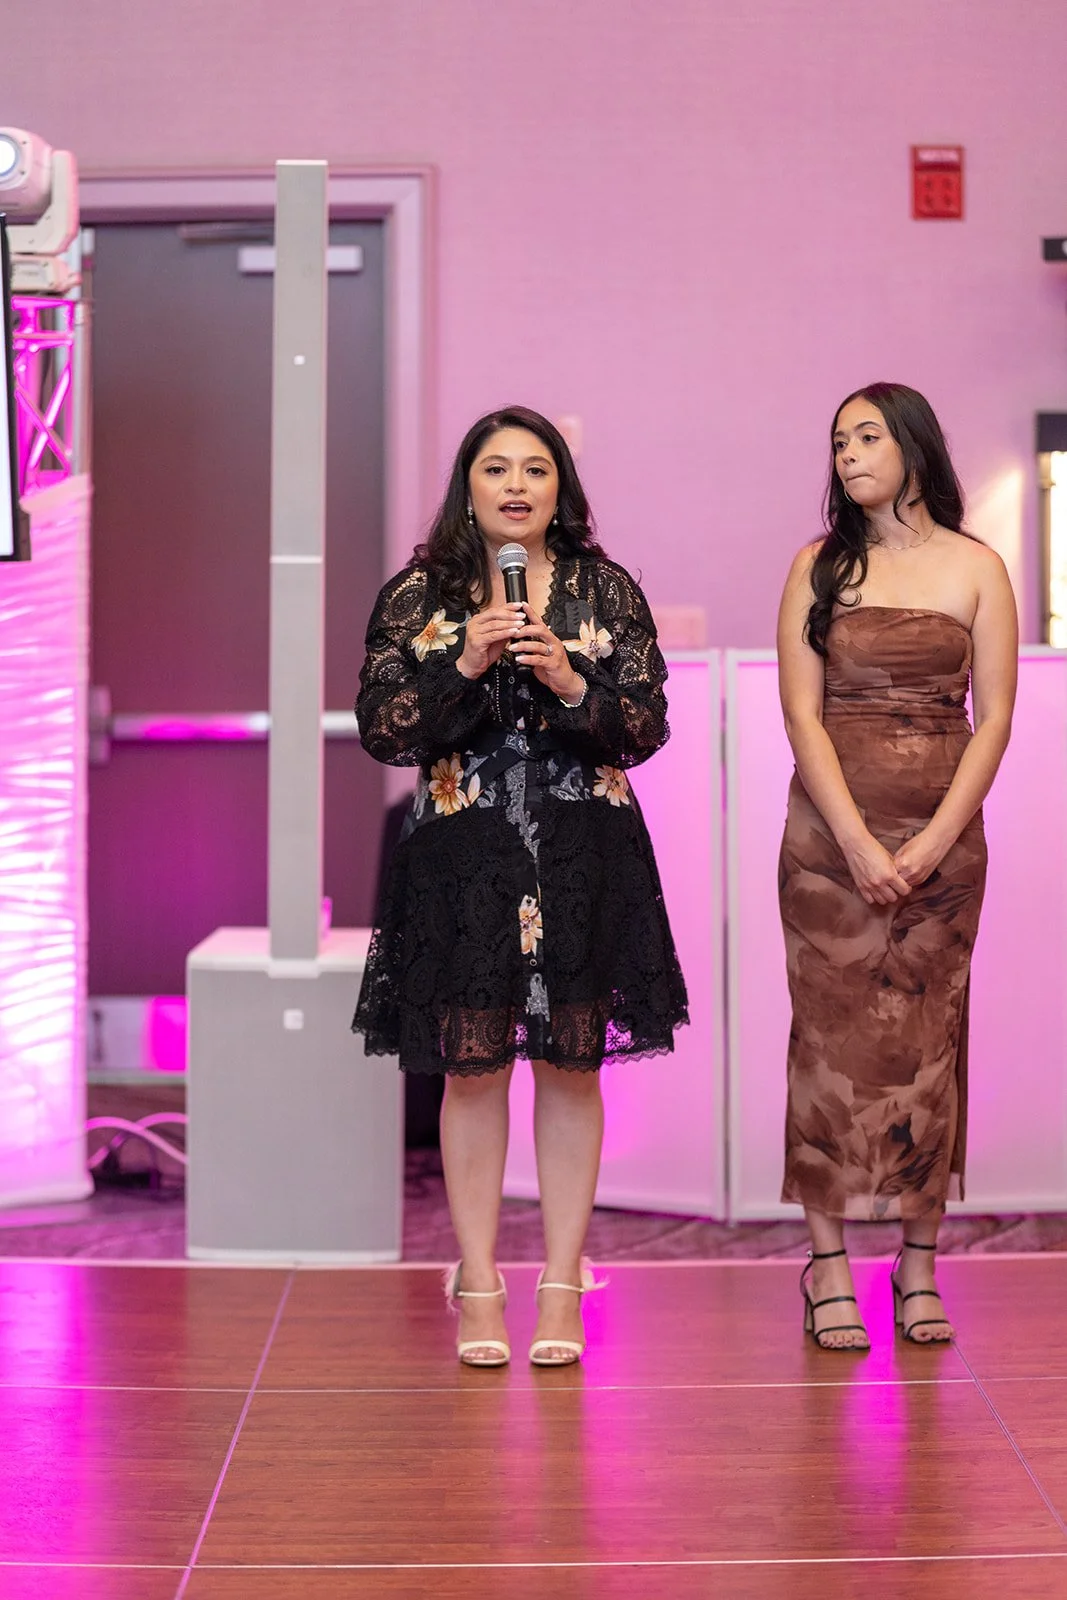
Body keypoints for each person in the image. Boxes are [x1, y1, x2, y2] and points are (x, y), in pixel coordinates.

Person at [352, 406, 688, 1366]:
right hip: (466, 862)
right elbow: (385, 729)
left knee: (572, 1064)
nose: (514, 486)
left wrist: (571, 682)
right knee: (474, 1067)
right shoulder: (421, 594)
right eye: (494, 468)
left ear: (558, 489)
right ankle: (479, 1280)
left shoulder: (602, 590)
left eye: (534, 470)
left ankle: (561, 1283)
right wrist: (465, 660)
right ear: (467, 485)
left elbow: (645, 724)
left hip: (584, 856)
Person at [776, 382, 1017, 1350]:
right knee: (825, 1046)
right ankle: (824, 1265)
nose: (846, 453)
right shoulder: (814, 567)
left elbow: (991, 717)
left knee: (929, 1043)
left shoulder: (975, 567)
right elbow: (801, 714)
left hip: (943, 850)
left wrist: (924, 844)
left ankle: (916, 1268)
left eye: (866, 435)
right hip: (827, 850)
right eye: (836, 440)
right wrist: (859, 842)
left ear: (913, 445)